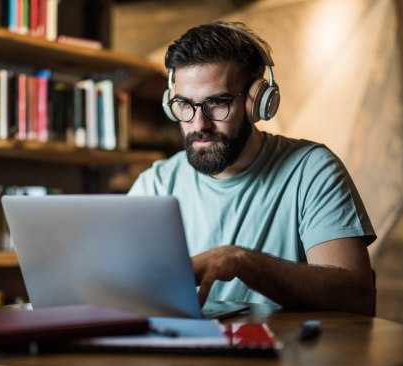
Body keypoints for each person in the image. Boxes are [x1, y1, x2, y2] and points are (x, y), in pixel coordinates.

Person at [128, 21, 377, 316]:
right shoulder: (155, 184)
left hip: (283, 356)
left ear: (258, 103)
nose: (199, 124)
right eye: (184, 104)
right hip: (181, 355)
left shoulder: (312, 170)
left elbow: (356, 296)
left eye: (217, 103)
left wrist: (242, 262)